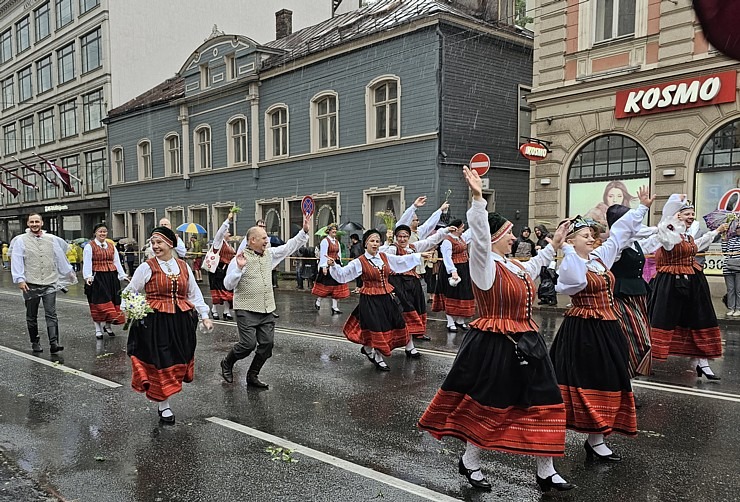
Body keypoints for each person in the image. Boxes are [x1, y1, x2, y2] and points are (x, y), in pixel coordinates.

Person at [419, 166, 573, 493]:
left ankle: (546, 470)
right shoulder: (484, 265)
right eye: (509, 233)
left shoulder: (513, 266)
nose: (515, 237)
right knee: (490, 405)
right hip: (496, 344)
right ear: (495, 238)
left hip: (527, 340)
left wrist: (554, 245)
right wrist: (478, 201)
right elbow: (478, 234)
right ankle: (471, 460)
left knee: (544, 401)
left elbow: (534, 266)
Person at [550, 186, 654, 463]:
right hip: (583, 330)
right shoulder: (572, 264)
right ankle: (559, 436)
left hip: (607, 327)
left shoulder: (598, 259)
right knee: (585, 381)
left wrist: (642, 208)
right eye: (585, 237)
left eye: (592, 236)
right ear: (573, 241)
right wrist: (565, 248)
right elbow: (573, 283)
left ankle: (597, 439)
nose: (592, 240)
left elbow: (619, 235)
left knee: (610, 378)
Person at [124, 226, 212, 424]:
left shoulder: (183, 266)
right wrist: (134, 308)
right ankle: (164, 405)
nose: (155, 246)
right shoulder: (147, 267)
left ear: (170, 244)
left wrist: (204, 315)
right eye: (153, 243)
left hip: (180, 321)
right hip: (156, 322)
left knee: (177, 358)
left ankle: (165, 397)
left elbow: (193, 293)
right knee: (161, 361)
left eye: (159, 243)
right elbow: (130, 292)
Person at [220, 214, 311, 388]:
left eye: (266, 237)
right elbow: (228, 284)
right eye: (263, 238)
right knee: (247, 344)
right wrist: (238, 269)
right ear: (252, 240)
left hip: (267, 308)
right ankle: (227, 362)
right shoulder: (239, 258)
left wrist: (304, 231)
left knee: (267, 345)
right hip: (246, 308)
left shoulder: (269, 254)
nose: (267, 240)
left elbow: (287, 248)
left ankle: (252, 375)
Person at [646, 194, 725, 379]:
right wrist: (674, 206)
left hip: (693, 281)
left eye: (692, 213)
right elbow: (666, 232)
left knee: (698, 319)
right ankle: (647, 360)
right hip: (670, 283)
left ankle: (702, 363)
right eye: (687, 213)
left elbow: (698, 244)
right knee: (662, 320)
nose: (691, 216)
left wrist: (717, 232)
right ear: (677, 216)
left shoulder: (688, 237)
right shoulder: (668, 235)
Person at [326, 229, 428, 370]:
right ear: (366, 244)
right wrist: (333, 266)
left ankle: (368, 349)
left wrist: (419, 255)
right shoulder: (360, 261)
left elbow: (401, 261)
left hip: (387, 297)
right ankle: (378, 357)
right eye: (372, 241)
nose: (375, 244)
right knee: (377, 328)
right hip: (370, 300)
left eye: (377, 241)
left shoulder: (384, 257)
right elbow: (344, 274)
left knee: (391, 325)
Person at [11, 213, 76, 354]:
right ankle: (35, 342)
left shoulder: (51, 239)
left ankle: (54, 343)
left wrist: (68, 273)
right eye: (31, 222)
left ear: (42, 223)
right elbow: (16, 260)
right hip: (30, 283)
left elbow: (60, 257)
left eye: (37, 221)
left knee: (51, 313)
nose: (34, 224)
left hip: (49, 281)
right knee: (31, 314)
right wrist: (20, 279)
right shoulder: (20, 240)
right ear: (28, 224)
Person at [606, 205, 656, 378]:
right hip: (620, 296)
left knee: (638, 340)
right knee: (639, 341)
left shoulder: (635, 242)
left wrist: (672, 219)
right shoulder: (616, 245)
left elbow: (658, 237)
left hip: (638, 295)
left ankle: (626, 385)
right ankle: (622, 381)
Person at [381, 224, 451, 342]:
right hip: (398, 282)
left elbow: (430, 241)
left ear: (409, 237)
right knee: (405, 308)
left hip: (413, 281)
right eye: (399, 237)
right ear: (396, 237)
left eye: (405, 236)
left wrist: (446, 230)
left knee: (419, 306)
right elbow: (388, 256)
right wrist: (387, 242)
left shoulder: (413, 247)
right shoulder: (392, 249)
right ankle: (405, 336)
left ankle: (418, 332)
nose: (402, 239)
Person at [83, 223, 129, 339]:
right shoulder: (90, 246)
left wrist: (122, 275)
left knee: (113, 302)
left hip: (111, 277)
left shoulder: (111, 245)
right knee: (99, 303)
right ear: (95, 233)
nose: (102, 233)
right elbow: (87, 262)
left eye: (104, 231)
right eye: (100, 231)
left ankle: (108, 326)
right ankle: (98, 329)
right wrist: (88, 276)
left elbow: (116, 261)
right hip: (98, 277)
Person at [432, 220, 474, 332]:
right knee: (451, 295)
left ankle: (460, 320)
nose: (463, 229)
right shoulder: (447, 241)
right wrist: (453, 271)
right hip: (451, 270)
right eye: (461, 227)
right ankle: (450, 322)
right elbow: (447, 257)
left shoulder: (462, 238)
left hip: (464, 269)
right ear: (455, 228)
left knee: (464, 294)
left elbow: (471, 232)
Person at [312, 223, 350, 314]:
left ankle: (335, 307)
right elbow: (323, 254)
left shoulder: (337, 242)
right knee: (326, 286)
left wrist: (340, 264)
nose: (334, 231)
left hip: (335, 265)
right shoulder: (325, 241)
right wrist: (324, 267)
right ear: (328, 231)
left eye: (335, 230)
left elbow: (339, 254)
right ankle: (318, 300)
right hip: (328, 265)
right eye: (333, 230)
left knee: (336, 286)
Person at [208, 213, 236, 320]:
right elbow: (220, 233)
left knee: (228, 290)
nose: (229, 234)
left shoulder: (229, 245)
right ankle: (214, 310)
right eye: (228, 232)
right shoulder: (218, 242)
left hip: (227, 270)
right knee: (217, 290)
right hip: (217, 269)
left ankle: (226, 311)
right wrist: (228, 220)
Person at [721, 226, 740, 317]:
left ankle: (738, 308)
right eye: (737, 228)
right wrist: (724, 240)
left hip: (739, 267)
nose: (738, 230)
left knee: (738, 290)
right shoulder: (731, 240)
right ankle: (731, 308)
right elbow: (725, 251)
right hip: (728, 267)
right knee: (730, 289)